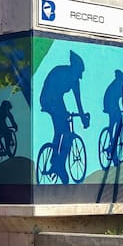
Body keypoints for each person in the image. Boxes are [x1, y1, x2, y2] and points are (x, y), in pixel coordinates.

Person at [39, 50, 90, 183]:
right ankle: (57, 164)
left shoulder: (75, 81)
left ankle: (57, 163)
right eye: (79, 72)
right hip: (47, 98)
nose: (80, 76)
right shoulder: (61, 72)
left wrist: (83, 116)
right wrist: (59, 112)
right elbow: (50, 92)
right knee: (63, 127)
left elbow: (78, 101)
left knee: (64, 132)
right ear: (74, 68)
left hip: (57, 99)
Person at [103, 70, 123, 165]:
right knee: (117, 121)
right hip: (110, 104)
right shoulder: (119, 85)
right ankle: (112, 148)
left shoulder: (117, 84)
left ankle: (111, 141)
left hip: (111, 104)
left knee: (114, 124)